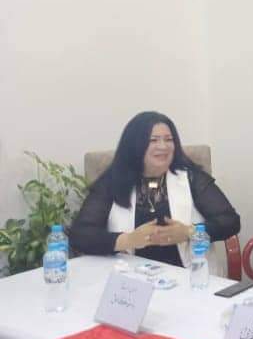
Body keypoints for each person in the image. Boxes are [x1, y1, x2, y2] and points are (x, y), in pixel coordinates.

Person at [70, 111, 240, 267]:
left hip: (187, 275)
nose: (163, 146)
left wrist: (189, 232)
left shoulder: (191, 178)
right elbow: (80, 235)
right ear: (135, 145)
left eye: (169, 139)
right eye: (153, 140)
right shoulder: (112, 182)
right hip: (129, 277)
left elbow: (230, 221)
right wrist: (128, 240)